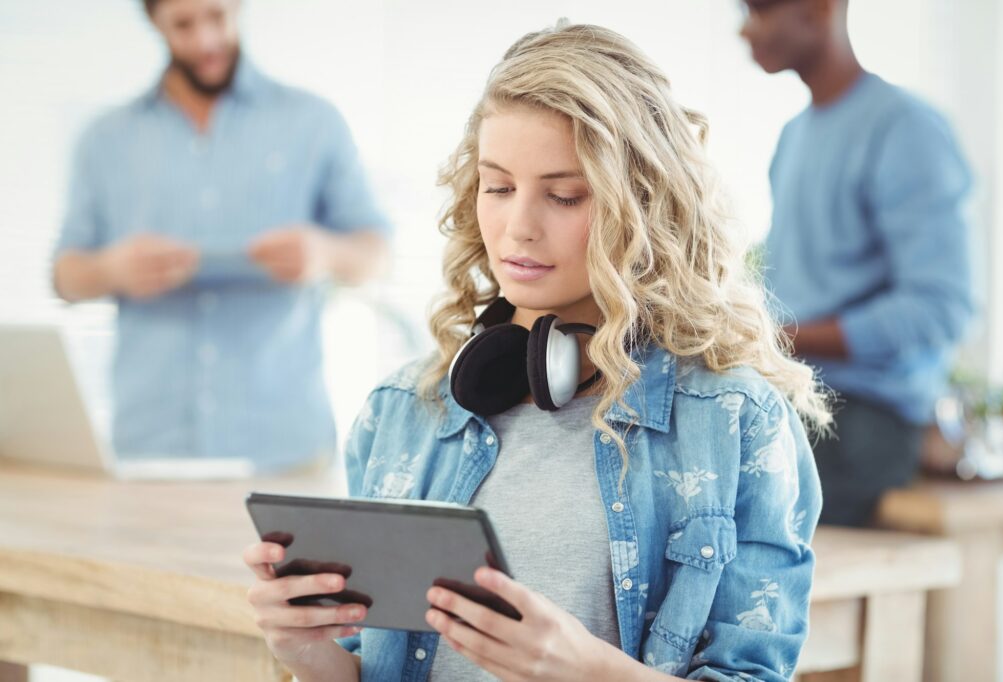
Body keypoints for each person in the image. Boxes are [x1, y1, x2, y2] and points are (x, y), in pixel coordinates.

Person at [244, 22, 828, 681]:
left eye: (563, 194)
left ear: (640, 206)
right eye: (498, 186)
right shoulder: (402, 412)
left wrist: (586, 670)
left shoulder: (732, 420)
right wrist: (308, 652)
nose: (519, 226)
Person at [51, 0, 390, 472]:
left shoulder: (314, 121)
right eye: (184, 25)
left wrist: (324, 252)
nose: (206, 40)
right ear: (154, 21)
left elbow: (378, 254)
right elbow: (65, 277)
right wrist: (111, 270)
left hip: (284, 446)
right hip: (149, 450)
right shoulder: (105, 139)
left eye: (217, 16)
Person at [739, 0, 974, 525]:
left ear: (819, 9)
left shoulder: (904, 129)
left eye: (761, 10)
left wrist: (784, 336)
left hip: (865, 420)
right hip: (792, 397)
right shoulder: (793, 138)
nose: (745, 29)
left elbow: (941, 307)